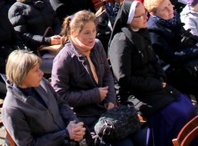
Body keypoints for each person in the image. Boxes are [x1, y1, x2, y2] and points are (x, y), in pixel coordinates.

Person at [108, 0, 197, 146]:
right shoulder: (121, 41)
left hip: (155, 85)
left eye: (145, 14)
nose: (146, 18)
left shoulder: (143, 32)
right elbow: (124, 78)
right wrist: (156, 84)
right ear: (130, 19)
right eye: (141, 16)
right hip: (137, 93)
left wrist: (161, 77)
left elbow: (154, 60)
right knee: (177, 114)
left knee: (187, 106)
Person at [52, 10, 145, 145]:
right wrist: (94, 95)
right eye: (86, 33)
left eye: (94, 31)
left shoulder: (97, 45)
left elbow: (107, 73)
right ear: (74, 33)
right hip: (86, 116)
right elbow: (60, 95)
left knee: (139, 137)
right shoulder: (64, 59)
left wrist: (111, 100)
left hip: (107, 109)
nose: (92, 37)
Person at [2, 50, 87, 146]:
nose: (41, 73)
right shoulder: (12, 108)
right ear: (22, 75)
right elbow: (28, 144)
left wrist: (75, 124)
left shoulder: (41, 83)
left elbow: (61, 104)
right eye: (36, 71)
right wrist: (65, 134)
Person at [145, 0, 198, 98]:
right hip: (175, 71)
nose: (170, 10)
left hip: (189, 61)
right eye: (164, 9)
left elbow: (186, 34)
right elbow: (170, 57)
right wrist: (195, 50)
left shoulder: (173, 16)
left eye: (169, 4)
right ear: (154, 13)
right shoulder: (154, 32)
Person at [8, 0, 61, 65]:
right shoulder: (17, 9)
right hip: (36, 52)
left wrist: (58, 35)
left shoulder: (44, 1)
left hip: (55, 45)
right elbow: (22, 35)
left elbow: (56, 20)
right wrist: (47, 40)